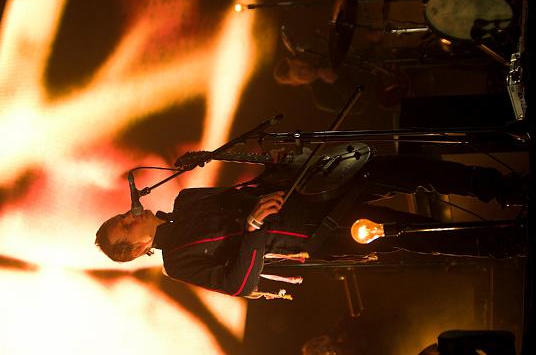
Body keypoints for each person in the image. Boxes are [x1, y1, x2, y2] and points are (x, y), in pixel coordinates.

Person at [95, 152, 526, 298]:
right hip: (320, 233)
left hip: (315, 194)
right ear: (137, 249)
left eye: (122, 215)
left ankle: (505, 188)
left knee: (403, 169)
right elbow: (237, 283)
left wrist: (275, 171)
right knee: (415, 234)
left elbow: (249, 191)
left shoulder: (186, 199)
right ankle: (509, 241)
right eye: (125, 227)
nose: (131, 216)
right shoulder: (177, 263)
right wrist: (252, 230)